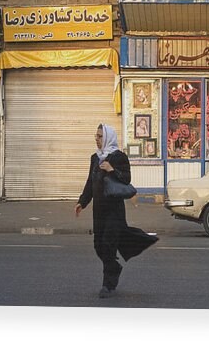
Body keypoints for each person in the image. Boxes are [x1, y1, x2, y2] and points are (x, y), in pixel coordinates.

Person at [75, 123, 158, 298]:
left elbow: (127, 179)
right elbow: (90, 183)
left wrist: (111, 170)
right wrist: (82, 202)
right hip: (99, 211)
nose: (96, 139)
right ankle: (114, 266)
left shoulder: (119, 157)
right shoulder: (95, 158)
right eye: (96, 136)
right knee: (98, 245)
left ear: (107, 137)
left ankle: (108, 284)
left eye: (99, 136)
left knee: (108, 245)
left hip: (114, 211)